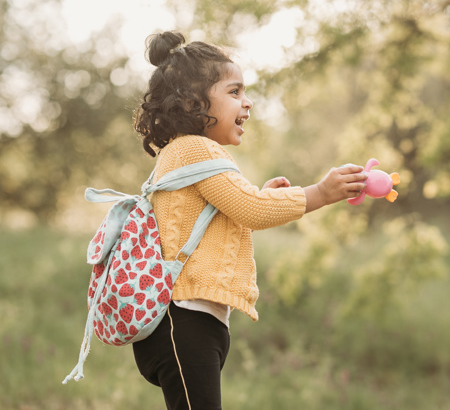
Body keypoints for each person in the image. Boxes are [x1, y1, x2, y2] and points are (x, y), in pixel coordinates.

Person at [131, 31, 366, 410]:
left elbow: (232, 210)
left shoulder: (190, 154)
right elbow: (251, 208)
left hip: (194, 322)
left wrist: (262, 194)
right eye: (235, 91)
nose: (248, 102)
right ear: (193, 102)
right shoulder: (194, 148)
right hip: (182, 320)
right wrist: (320, 193)